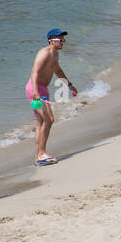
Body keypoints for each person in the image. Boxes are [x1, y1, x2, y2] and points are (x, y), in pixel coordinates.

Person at [26, 29, 77, 166]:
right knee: (49, 120)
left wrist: (69, 85)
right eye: (60, 40)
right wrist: (36, 91)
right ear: (51, 40)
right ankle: (42, 153)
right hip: (35, 89)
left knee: (41, 122)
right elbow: (34, 71)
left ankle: (38, 156)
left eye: (63, 39)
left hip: (42, 89)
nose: (63, 42)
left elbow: (58, 71)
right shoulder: (44, 53)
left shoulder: (55, 55)